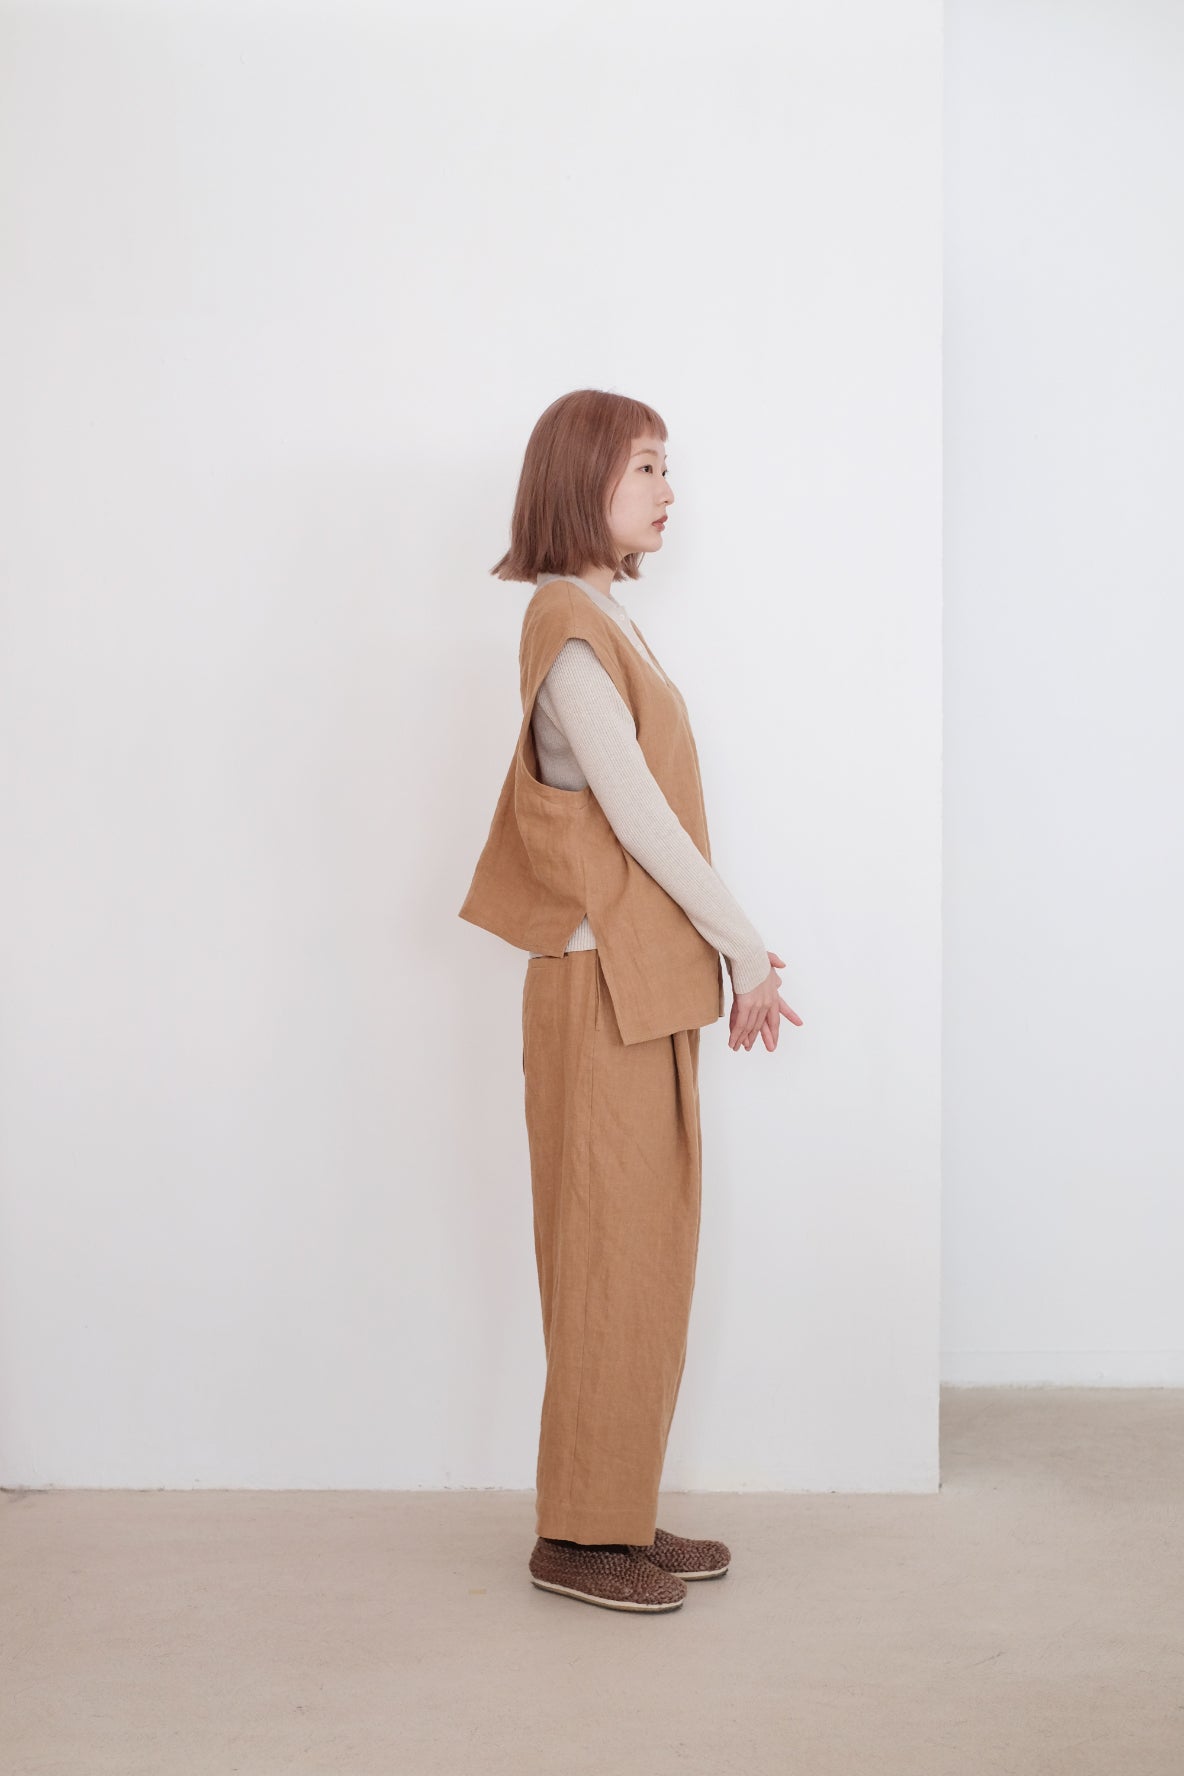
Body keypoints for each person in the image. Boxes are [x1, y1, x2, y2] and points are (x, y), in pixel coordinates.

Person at [458, 388, 803, 1613]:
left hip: (637, 987)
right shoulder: (565, 626)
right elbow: (640, 819)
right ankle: (575, 1537)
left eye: (666, 467)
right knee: (605, 1251)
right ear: (581, 480)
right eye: (644, 466)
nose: (668, 490)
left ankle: (612, 1511)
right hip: (595, 986)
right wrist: (746, 950)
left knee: (643, 1255)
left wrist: (723, 959)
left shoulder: (603, 621)